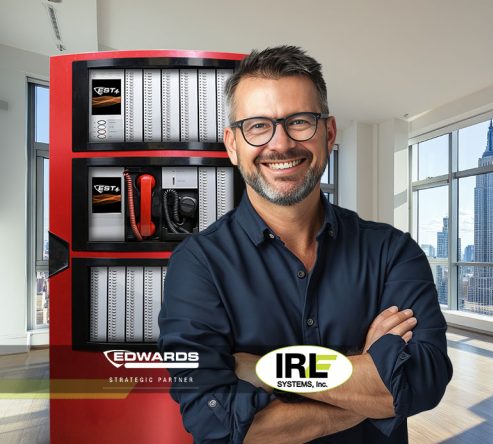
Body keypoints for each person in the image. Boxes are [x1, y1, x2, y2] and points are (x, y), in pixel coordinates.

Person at [158, 46, 452, 444]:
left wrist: (265, 369)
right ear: (232, 145)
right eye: (258, 126)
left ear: (329, 133)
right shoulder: (197, 265)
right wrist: (362, 374)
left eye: (299, 121)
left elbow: (421, 382)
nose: (280, 144)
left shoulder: (392, 251)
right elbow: (217, 422)